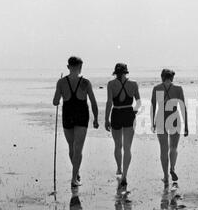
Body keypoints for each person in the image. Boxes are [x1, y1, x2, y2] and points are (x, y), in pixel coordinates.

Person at [53, 56, 99, 188]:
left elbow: (55, 102)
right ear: (80, 67)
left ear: (68, 67)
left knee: (71, 147)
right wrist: (96, 118)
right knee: (78, 148)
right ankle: (74, 177)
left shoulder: (61, 82)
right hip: (81, 116)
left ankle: (75, 173)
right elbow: (93, 102)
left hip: (68, 115)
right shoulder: (85, 82)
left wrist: (61, 93)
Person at [105, 63, 141, 188]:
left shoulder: (111, 84)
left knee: (117, 145)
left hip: (116, 113)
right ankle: (124, 175)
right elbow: (139, 102)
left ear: (116, 72)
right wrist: (134, 111)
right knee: (127, 147)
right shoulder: (133, 84)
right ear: (126, 72)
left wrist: (106, 119)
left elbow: (109, 102)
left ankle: (119, 168)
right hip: (128, 113)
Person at [151, 69, 188, 185]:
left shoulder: (156, 88)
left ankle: (166, 176)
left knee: (163, 149)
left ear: (162, 77)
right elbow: (183, 107)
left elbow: (153, 106)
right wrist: (186, 125)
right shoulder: (178, 89)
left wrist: (152, 122)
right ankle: (172, 168)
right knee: (173, 147)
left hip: (161, 116)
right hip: (174, 116)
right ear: (172, 78)